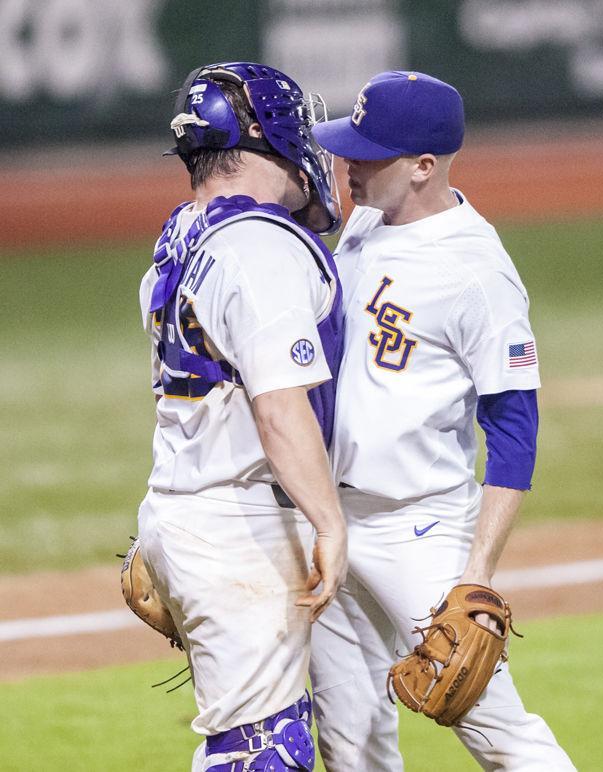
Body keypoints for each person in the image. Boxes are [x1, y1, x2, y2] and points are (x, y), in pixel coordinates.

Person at [308, 71, 576, 770]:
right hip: (329, 521)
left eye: (369, 153)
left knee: (499, 735)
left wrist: (476, 578)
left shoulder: (477, 272)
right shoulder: (365, 221)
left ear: (424, 166)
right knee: (349, 739)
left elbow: (515, 430)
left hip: (416, 529)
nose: (349, 165)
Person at [136, 61, 347, 772]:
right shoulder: (257, 244)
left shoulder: (182, 233)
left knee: (258, 740)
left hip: (187, 506)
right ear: (271, 135)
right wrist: (329, 522)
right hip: (234, 524)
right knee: (261, 752)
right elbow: (280, 407)